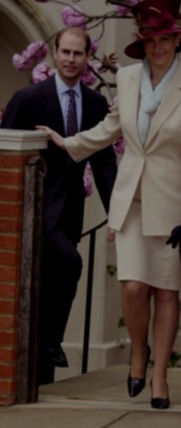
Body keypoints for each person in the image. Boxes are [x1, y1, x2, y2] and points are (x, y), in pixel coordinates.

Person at [39, 0, 181, 409]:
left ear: (177, 40)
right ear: (143, 42)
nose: (158, 47)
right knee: (134, 287)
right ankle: (139, 352)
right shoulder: (129, 79)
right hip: (130, 200)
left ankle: (158, 375)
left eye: (165, 39)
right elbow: (111, 127)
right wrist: (69, 142)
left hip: (173, 205)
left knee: (167, 292)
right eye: (151, 40)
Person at [0, 27, 117, 385]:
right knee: (69, 264)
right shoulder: (28, 98)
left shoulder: (96, 105)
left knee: (51, 284)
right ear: (54, 53)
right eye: (64, 52)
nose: (70, 59)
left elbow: (104, 165)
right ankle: (50, 342)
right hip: (29, 213)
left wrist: (118, 215)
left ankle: (43, 373)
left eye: (77, 54)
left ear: (87, 57)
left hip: (69, 215)